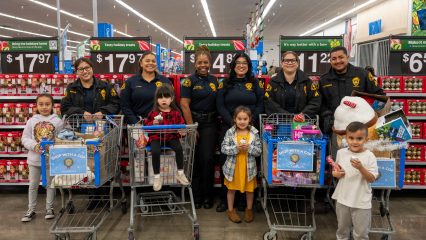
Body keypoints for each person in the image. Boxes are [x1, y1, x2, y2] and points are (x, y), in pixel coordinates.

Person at [216, 52, 264, 212]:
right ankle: (225, 200)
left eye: (245, 63)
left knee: (248, 163)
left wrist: (249, 122)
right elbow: (220, 104)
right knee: (227, 163)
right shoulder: (225, 83)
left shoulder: (254, 83)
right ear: (233, 66)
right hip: (229, 128)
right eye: (238, 63)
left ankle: (244, 201)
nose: (241, 65)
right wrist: (233, 123)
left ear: (249, 66)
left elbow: (260, 104)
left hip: (249, 129)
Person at [180, 45, 218, 209]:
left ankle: (208, 195)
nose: (203, 65)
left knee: (208, 159)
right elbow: (184, 104)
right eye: (200, 62)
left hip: (210, 124)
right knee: (194, 160)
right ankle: (196, 196)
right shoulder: (188, 81)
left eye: (206, 62)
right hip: (193, 122)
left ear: (210, 63)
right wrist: (191, 128)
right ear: (195, 64)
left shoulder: (214, 80)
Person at [319, 46, 384, 134]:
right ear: (330, 61)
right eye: (334, 59)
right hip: (336, 128)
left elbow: (380, 96)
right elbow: (320, 103)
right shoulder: (323, 80)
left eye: (341, 57)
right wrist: (328, 117)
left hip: (362, 128)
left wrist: (371, 115)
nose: (338, 61)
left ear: (347, 57)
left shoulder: (363, 75)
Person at [331, 121, 378, 240]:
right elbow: (336, 171)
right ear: (346, 138)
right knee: (342, 231)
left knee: (361, 234)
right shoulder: (341, 153)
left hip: (361, 201)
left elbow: (372, 178)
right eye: (351, 138)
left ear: (366, 140)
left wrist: (361, 168)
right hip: (342, 199)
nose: (354, 142)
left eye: (359, 138)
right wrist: (336, 174)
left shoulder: (369, 156)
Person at [21, 94, 63, 222]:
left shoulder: (57, 121)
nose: (44, 107)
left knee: (50, 185)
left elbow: (62, 137)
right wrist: (34, 146)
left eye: (47, 104)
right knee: (33, 185)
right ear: (36, 106)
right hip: (34, 160)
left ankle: (49, 208)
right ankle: (31, 209)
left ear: (52, 106)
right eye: (41, 104)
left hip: (51, 160)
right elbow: (25, 138)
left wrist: (54, 146)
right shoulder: (31, 121)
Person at [144, 84, 189, 191]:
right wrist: (153, 123)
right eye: (160, 97)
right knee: (155, 151)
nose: (163, 100)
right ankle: (157, 177)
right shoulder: (154, 112)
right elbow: (146, 125)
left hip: (171, 136)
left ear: (172, 98)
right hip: (156, 137)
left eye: (166, 97)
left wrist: (182, 132)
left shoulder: (176, 113)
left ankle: (180, 173)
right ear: (156, 99)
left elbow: (181, 125)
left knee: (179, 148)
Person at [221, 106, 261, 223]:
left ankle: (249, 209)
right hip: (233, 168)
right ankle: (230, 210)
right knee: (231, 189)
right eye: (239, 119)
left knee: (250, 190)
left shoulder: (254, 133)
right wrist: (236, 148)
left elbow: (258, 151)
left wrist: (250, 147)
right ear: (234, 119)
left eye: (245, 119)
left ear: (249, 119)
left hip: (249, 168)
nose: (242, 121)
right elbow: (223, 148)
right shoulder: (230, 132)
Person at [265, 51, 321, 120]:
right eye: (286, 60)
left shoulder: (307, 81)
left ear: (297, 63)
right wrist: (288, 116)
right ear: (281, 63)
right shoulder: (273, 82)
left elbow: (315, 101)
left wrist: (302, 115)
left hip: (303, 123)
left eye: (293, 60)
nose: (290, 63)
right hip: (280, 123)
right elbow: (269, 102)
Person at [121, 51, 173, 123]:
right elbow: (125, 106)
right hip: (138, 125)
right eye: (147, 61)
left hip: (161, 125)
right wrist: (136, 123)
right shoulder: (130, 82)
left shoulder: (165, 81)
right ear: (141, 64)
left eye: (153, 61)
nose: (150, 63)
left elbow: (172, 103)